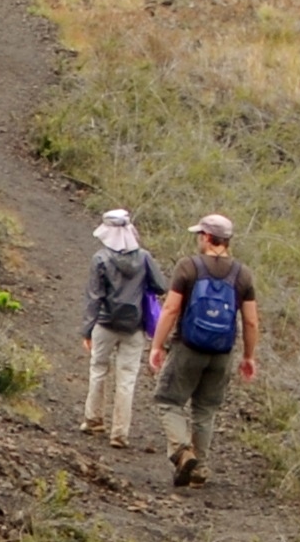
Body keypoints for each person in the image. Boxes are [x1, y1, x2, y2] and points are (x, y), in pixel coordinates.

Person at [147, 213, 261, 490]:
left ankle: (183, 452)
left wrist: (157, 345)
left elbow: (172, 309)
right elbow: (250, 320)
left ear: (208, 238)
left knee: (168, 400)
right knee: (205, 409)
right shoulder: (242, 274)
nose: (198, 239)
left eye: (200, 234)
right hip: (222, 353)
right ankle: (200, 468)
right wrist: (248, 356)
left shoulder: (189, 267)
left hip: (188, 347)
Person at [77, 209, 158, 447]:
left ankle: (94, 420)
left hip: (105, 323)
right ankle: (120, 433)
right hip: (134, 327)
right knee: (127, 379)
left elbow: (94, 297)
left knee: (98, 369)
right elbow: (161, 285)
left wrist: (87, 330)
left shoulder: (101, 258)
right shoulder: (144, 257)